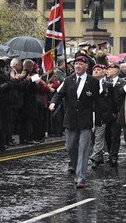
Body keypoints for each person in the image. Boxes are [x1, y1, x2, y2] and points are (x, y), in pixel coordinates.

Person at [49, 56, 101, 189]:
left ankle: (80, 178)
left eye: (80, 64)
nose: (77, 66)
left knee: (84, 149)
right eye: (75, 64)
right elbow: (59, 93)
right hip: (71, 119)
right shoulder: (68, 80)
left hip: (86, 121)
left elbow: (98, 102)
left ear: (86, 66)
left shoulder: (93, 82)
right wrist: (53, 103)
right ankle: (78, 168)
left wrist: (98, 121)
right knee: (70, 147)